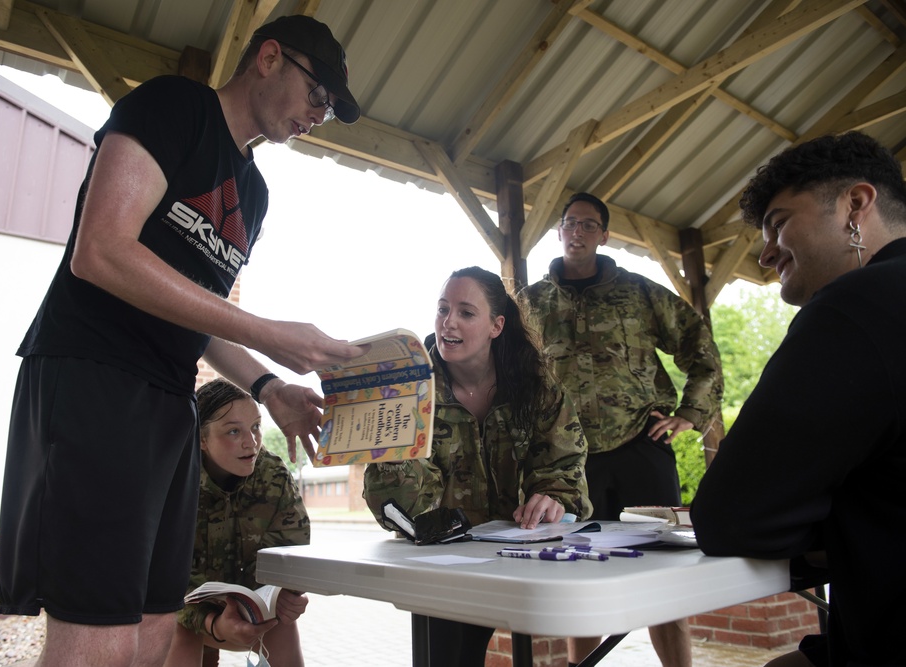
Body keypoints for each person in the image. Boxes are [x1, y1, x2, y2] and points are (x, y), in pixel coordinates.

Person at [0, 15, 366, 667]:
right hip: (95, 377)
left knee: (154, 630)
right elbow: (101, 249)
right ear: (270, 57)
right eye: (318, 94)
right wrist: (271, 333)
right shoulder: (173, 106)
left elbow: (203, 315)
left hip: (172, 404)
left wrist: (268, 386)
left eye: (330, 109)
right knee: (98, 634)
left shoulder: (253, 191)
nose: (318, 113)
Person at [690, 131, 906, 667]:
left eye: (779, 223)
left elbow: (734, 514)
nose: (765, 254)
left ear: (856, 204)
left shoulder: (855, 306)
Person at [519, 192, 723, 667]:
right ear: (560, 231)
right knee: (576, 574)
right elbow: (506, 370)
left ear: (604, 235)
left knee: (664, 577)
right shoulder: (531, 302)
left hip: (640, 447)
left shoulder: (639, 292)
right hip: (567, 460)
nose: (578, 231)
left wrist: (690, 414)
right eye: (570, 223)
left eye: (589, 225)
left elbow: (700, 347)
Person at [363, 266, 592, 667]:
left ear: (496, 325)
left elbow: (564, 462)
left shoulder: (535, 385)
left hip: (511, 556)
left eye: (466, 312)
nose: (448, 323)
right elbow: (400, 512)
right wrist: (391, 440)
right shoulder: (409, 390)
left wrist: (553, 497)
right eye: (442, 309)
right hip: (438, 565)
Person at [164, 379, 310, 667]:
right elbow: (160, 581)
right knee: (177, 633)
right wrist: (212, 623)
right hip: (184, 614)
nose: (251, 442)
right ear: (201, 439)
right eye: (233, 431)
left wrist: (285, 596)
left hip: (250, 613)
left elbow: (290, 553)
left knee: (282, 626)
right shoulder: (172, 482)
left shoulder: (273, 477)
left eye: (256, 427)